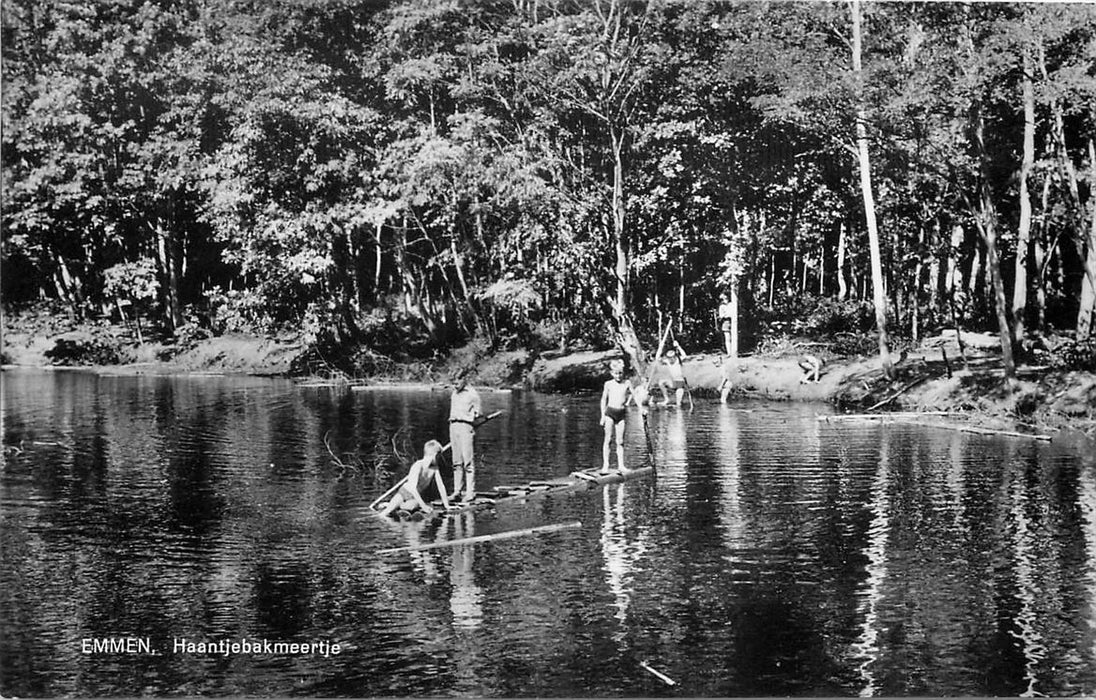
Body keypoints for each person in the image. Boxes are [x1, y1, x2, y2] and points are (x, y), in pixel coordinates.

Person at [379, 440, 450, 518]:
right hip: (405, 492)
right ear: (434, 454)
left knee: (414, 506)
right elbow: (413, 489)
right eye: (439, 456)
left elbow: (441, 487)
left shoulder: (435, 468)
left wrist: (447, 506)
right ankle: (392, 505)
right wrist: (423, 506)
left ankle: (400, 507)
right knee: (385, 513)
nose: (440, 459)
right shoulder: (418, 465)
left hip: (416, 497)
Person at [449, 368, 482, 502]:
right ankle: (457, 491)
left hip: (465, 427)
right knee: (456, 462)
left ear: (464, 379)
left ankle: (470, 492)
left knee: (468, 462)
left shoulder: (473, 394)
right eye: (453, 383)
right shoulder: (454, 393)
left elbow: (478, 413)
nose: (455, 385)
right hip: (453, 426)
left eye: (457, 382)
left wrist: (471, 419)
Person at [600, 359, 634, 474]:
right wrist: (602, 416)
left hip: (621, 414)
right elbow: (603, 399)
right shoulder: (608, 384)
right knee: (608, 439)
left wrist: (642, 409)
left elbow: (635, 396)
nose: (618, 376)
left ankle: (621, 465)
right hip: (610, 413)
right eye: (616, 373)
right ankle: (605, 465)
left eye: (620, 373)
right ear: (612, 373)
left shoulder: (627, 383)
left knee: (620, 441)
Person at [658, 343, 689, 407]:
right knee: (661, 382)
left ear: (675, 356)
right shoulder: (667, 361)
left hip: (680, 383)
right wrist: (660, 348)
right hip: (673, 382)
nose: (671, 359)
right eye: (669, 358)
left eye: (672, 357)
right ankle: (666, 399)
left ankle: (678, 404)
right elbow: (657, 358)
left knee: (678, 404)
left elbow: (685, 356)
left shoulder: (678, 360)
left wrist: (678, 346)